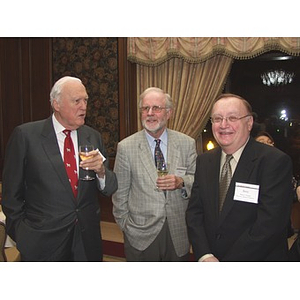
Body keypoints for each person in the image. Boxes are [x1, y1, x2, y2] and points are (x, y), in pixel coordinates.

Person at [2, 76, 117, 261]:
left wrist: (102, 172)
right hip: (42, 241)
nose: (84, 106)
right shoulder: (26, 136)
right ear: (56, 104)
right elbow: (10, 195)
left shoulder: (93, 137)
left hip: (86, 241)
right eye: (76, 101)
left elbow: (110, 188)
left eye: (85, 100)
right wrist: (23, 234)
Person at [186, 93, 293, 261]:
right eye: (217, 118)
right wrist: (205, 255)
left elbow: (270, 225)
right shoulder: (204, 161)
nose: (224, 125)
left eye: (232, 118)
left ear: (249, 123)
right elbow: (195, 213)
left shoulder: (274, 161)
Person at [112, 87, 197, 261]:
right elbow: (119, 193)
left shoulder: (187, 143)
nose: (150, 113)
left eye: (156, 108)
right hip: (140, 234)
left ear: (169, 113)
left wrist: (181, 182)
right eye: (145, 108)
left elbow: (197, 181)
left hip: (177, 232)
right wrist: (126, 227)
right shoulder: (126, 147)